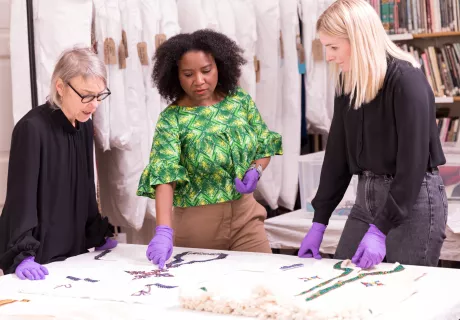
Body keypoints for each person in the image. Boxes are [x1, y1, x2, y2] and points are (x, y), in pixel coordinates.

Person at [298, 0, 447, 269]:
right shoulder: (348, 81)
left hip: (413, 199)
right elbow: (337, 155)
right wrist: (319, 220)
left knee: (405, 293)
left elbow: (412, 166)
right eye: (326, 47)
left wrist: (380, 231)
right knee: (341, 280)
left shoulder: (406, 80)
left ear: (359, 39)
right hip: (366, 196)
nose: (328, 56)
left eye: (333, 47)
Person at [137, 29, 283, 269]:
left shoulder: (239, 101)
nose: (199, 80)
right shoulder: (172, 119)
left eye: (206, 71)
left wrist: (256, 169)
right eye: (188, 74)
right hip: (197, 227)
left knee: (262, 285)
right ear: (175, 76)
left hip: (246, 218)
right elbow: (164, 176)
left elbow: (263, 144)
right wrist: (164, 230)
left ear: (220, 67)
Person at [0, 47, 118, 280]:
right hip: (40, 254)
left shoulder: (83, 125)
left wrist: (96, 234)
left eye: (98, 96)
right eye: (86, 95)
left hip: (74, 250)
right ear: (61, 87)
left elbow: (85, 186)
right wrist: (24, 254)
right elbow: (20, 198)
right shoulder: (32, 129)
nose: (93, 104)